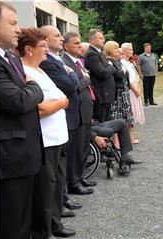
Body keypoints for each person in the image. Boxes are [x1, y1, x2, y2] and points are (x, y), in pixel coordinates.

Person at [0, 2, 44, 238]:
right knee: (11, 226)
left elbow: (25, 94)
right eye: (12, 23)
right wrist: (34, 87)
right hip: (7, 161)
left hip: (23, 155)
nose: (18, 29)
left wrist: (29, 90)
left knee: (24, 221)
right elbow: (18, 101)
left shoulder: (8, 58)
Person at [17, 27, 71, 239]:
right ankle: (43, 231)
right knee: (44, 189)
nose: (46, 51)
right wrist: (62, 102)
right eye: (43, 46)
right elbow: (40, 109)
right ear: (29, 50)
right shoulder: (25, 73)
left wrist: (58, 102)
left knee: (57, 184)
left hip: (57, 137)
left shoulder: (40, 70)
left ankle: (55, 223)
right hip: (44, 140)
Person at [39, 25, 83, 237]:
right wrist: (74, 75)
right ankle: (54, 218)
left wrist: (73, 76)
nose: (60, 37)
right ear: (44, 41)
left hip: (63, 124)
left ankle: (60, 207)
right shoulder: (46, 63)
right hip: (52, 130)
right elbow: (68, 86)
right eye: (56, 35)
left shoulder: (56, 61)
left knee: (60, 171)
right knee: (53, 176)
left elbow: (73, 82)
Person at [62, 31, 97, 191]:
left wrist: (83, 79)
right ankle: (74, 182)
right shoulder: (65, 62)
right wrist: (86, 78)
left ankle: (80, 177)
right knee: (75, 150)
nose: (79, 46)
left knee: (83, 148)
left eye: (79, 42)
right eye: (75, 43)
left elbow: (80, 82)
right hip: (75, 112)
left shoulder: (77, 62)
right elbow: (74, 86)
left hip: (85, 110)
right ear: (66, 46)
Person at [104, 41, 135, 146]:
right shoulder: (109, 61)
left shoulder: (117, 61)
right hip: (117, 93)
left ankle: (126, 139)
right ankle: (116, 142)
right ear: (110, 50)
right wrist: (122, 71)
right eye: (116, 49)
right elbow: (118, 74)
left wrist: (123, 71)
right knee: (116, 117)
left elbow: (124, 74)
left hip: (124, 90)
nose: (118, 51)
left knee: (126, 116)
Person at [84, 29, 116, 122]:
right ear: (92, 40)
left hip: (106, 94)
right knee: (103, 123)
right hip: (101, 95)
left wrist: (109, 66)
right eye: (100, 38)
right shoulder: (91, 54)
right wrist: (111, 66)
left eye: (103, 38)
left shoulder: (99, 53)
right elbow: (103, 73)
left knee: (108, 122)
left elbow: (106, 70)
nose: (103, 40)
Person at [121, 42, 145, 143]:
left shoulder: (130, 63)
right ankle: (129, 137)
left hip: (135, 88)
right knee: (129, 114)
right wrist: (136, 90)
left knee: (132, 114)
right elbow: (128, 80)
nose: (132, 51)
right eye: (130, 49)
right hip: (131, 91)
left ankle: (130, 136)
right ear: (125, 51)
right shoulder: (123, 63)